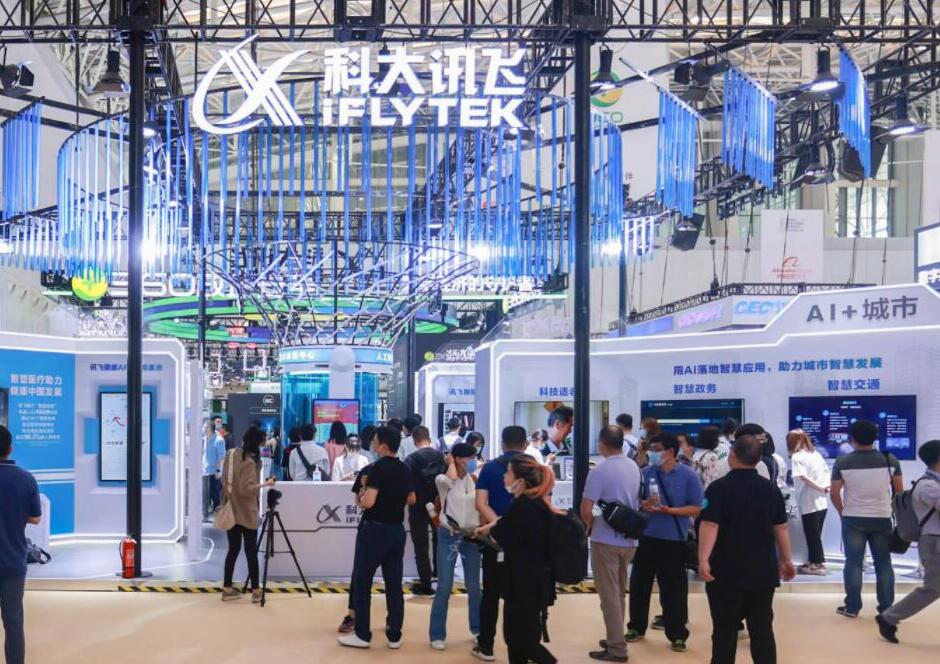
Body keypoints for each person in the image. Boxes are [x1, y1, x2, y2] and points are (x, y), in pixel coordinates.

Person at [698, 434, 796, 664]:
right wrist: (786, 560)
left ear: (732, 455)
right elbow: (781, 528)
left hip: (725, 569)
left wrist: (703, 559)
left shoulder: (718, 488)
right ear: (758, 459)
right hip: (762, 569)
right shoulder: (771, 489)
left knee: (724, 629)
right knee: (762, 628)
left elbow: (710, 524)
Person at [476, 455, 558, 664]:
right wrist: (491, 527)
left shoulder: (522, 507)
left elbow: (502, 534)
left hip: (524, 584)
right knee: (519, 639)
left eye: (509, 473)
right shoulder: (534, 503)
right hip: (533, 582)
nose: (504, 476)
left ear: (520, 481)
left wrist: (487, 530)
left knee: (521, 640)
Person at [339, 426, 416, 650]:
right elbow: (412, 499)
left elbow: (368, 502)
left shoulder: (376, 469)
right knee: (394, 583)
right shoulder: (404, 468)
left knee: (363, 583)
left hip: (374, 531)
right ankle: (394, 635)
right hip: (396, 531)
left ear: (383, 445)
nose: (372, 444)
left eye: (374, 441)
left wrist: (364, 494)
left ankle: (363, 635)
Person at [627, 431, 704, 652]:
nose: (652, 453)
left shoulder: (688, 476)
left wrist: (670, 510)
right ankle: (636, 627)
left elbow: (696, 507)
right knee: (639, 585)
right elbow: (635, 501)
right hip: (646, 537)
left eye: (656, 449)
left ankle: (677, 634)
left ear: (670, 452)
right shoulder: (645, 473)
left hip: (674, 540)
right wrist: (643, 504)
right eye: (651, 449)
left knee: (674, 590)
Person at [580, 426, 642, 662]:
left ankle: (617, 649)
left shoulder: (599, 470)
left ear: (602, 443)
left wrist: (590, 525)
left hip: (605, 539)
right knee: (618, 592)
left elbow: (586, 509)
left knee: (608, 596)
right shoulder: (633, 466)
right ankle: (616, 637)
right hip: (629, 539)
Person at [830, 419, 903, 618]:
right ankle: (887, 609)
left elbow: (834, 493)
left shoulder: (843, 462)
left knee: (853, 563)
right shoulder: (889, 460)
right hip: (882, 517)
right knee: (884, 564)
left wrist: (842, 512)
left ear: (852, 439)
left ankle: (852, 607)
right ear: (875, 438)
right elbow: (899, 492)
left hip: (853, 517)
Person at [473, 425, 529, 661]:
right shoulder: (535, 468)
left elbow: (480, 503)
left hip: (495, 541)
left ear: (503, 443)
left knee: (491, 594)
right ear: (525, 444)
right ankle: (524, 647)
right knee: (523, 596)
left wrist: (498, 525)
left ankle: (486, 646)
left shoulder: (490, 468)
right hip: (526, 543)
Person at [878, 439, 940, 643]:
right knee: (933, 588)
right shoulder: (928, 486)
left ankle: (889, 616)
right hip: (935, 543)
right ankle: (889, 617)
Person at [429, 442, 483, 650]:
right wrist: (451, 460)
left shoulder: (474, 480)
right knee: (444, 586)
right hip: (448, 535)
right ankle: (437, 634)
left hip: (471, 536)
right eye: (470, 457)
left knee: (474, 586)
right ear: (458, 459)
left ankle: (477, 630)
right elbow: (450, 478)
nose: (473, 461)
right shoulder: (443, 480)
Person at [0, 425, 41, 664]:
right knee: (13, 621)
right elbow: (35, 518)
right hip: (13, 562)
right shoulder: (25, 478)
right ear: (10, 448)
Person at [221, 426, 276, 603]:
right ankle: (256, 591)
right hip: (246, 511)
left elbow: (224, 480)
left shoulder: (231, 454)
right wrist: (266, 484)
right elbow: (247, 490)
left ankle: (227, 589)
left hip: (231, 508)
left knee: (233, 550)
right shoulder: (250, 462)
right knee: (251, 552)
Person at [404, 425, 444, 596]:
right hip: (439, 506)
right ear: (429, 438)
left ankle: (425, 582)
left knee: (421, 545)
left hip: (418, 506)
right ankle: (441, 578)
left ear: (414, 440)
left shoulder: (410, 460)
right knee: (440, 541)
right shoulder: (441, 457)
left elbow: (408, 486)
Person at [786, 429, 831, 575]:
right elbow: (826, 473)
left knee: (812, 534)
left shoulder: (797, 457)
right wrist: (824, 488)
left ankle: (818, 564)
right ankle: (812, 561)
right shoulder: (816, 454)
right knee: (816, 533)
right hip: (821, 500)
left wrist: (819, 487)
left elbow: (803, 477)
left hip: (808, 500)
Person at [202, 421, 225, 519]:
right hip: (205, 471)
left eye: (204, 427)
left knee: (215, 495)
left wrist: (219, 470)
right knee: (205, 494)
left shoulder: (219, 440)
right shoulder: (204, 439)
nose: (203, 429)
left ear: (209, 428)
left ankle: (218, 517)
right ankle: (205, 515)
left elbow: (221, 457)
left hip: (214, 472)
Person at [688, 426, 722, 490]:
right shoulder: (712, 456)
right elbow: (714, 478)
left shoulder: (696, 453)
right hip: (708, 490)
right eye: (717, 438)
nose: (719, 440)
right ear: (712, 440)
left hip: (697, 489)